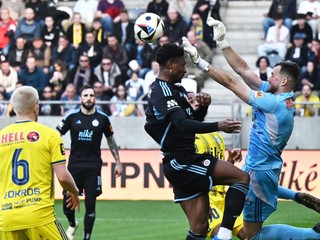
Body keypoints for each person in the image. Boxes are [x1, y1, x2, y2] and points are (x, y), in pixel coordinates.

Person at [182, 17, 320, 240]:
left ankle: (314, 235)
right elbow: (243, 70)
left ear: (283, 82)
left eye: (273, 74)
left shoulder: (273, 102)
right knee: (237, 199)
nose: (269, 76)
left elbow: (232, 83)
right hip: (257, 167)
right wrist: (223, 42)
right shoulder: (276, 94)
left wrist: (200, 61)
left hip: (259, 172)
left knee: (251, 236)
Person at [144, 42, 250, 240]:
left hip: (182, 160)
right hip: (182, 161)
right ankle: (225, 233)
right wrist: (218, 125)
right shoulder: (161, 91)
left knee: (199, 227)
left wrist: (202, 107)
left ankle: (222, 233)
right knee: (242, 178)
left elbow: (191, 123)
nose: (185, 69)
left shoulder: (177, 90)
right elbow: (182, 124)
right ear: (169, 65)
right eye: (182, 64)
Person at [187, 91, 320, 239]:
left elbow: (214, 169)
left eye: (197, 100)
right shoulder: (185, 138)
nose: (197, 103)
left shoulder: (215, 135)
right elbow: (191, 173)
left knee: (250, 236)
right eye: (191, 101)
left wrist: (229, 161)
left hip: (226, 196)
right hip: (207, 197)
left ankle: (312, 234)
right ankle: (309, 230)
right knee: (222, 233)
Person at [0, 86, 80, 239]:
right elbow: (62, 177)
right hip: (39, 216)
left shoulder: (1, 136)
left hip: (6, 218)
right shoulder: (50, 135)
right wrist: (75, 192)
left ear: (14, 108)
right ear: (36, 107)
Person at [56, 84, 123, 240]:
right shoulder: (71, 117)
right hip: (74, 167)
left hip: (93, 168)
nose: (88, 98)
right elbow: (55, 135)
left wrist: (118, 162)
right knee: (67, 205)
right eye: (85, 95)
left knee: (91, 205)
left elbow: (111, 140)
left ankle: (87, 238)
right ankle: (72, 224)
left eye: (91, 95)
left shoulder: (103, 119)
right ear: (80, 99)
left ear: (95, 98)